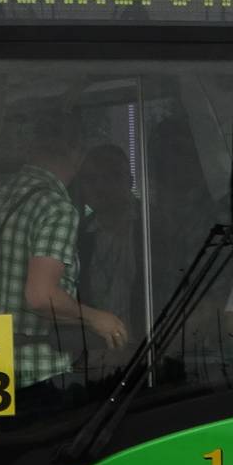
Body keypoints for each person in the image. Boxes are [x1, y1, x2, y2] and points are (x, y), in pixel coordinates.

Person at [0, 112, 128, 412]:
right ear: (77, 153)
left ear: (32, 147)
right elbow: (40, 296)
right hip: (35, 373)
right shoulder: (56, 208)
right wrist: (96, 318)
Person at [73, 143, 141, 345]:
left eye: (112, 176)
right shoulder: (77, 235)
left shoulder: (155, 228)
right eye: (91, 179)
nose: (101, 186)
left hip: (148, 352)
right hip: (94, 359)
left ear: (129, 181)